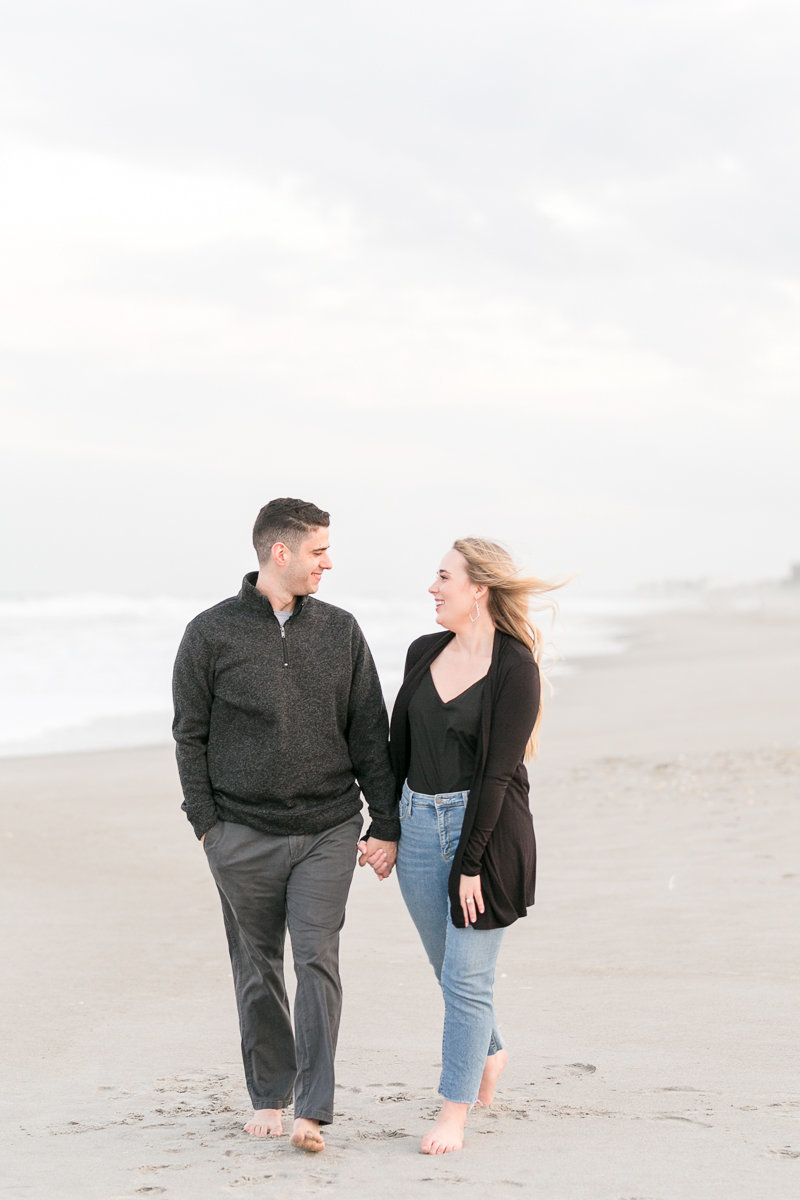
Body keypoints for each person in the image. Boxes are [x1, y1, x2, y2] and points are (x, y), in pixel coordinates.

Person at [172, 498, 397, 1154]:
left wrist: (383, 821)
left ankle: (314, 1109)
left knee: (316, 957)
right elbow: (191, 735)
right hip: (240, 833)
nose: (328, 562)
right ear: (280, 552)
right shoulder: (209, 635)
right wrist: (207, 827)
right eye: (319, 551)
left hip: (328, 825)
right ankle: (270, 1095)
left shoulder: (341, 630)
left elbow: (369, 731)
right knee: (257, 966)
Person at [390, 537, 562, 1155]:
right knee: (449, 970)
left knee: (466, 982)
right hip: (415, 826)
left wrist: (470, 866)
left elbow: (495, 776)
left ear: (478, 589)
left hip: (483, 834)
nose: (433, 588)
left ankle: (453, 1113)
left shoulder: (516, 670)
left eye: (444, 577)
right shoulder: (422, 651)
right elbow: (397, 750)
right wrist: (386, 828)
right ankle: (490, 1052)